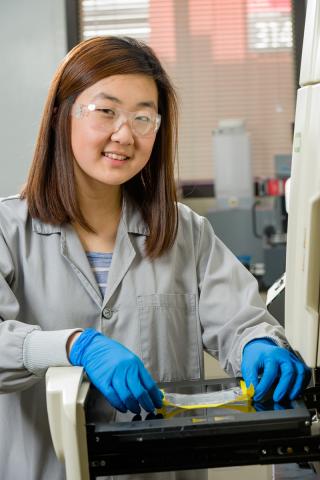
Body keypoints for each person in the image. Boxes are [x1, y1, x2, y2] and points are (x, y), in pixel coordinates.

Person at [0, 36, 310, 480]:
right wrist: (74, 346)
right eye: (106, 111)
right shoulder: (7, 231)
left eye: (143, 117)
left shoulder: (185, 231)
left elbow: (239, 322)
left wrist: (258, 345)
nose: (125, 134)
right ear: (60, 116)